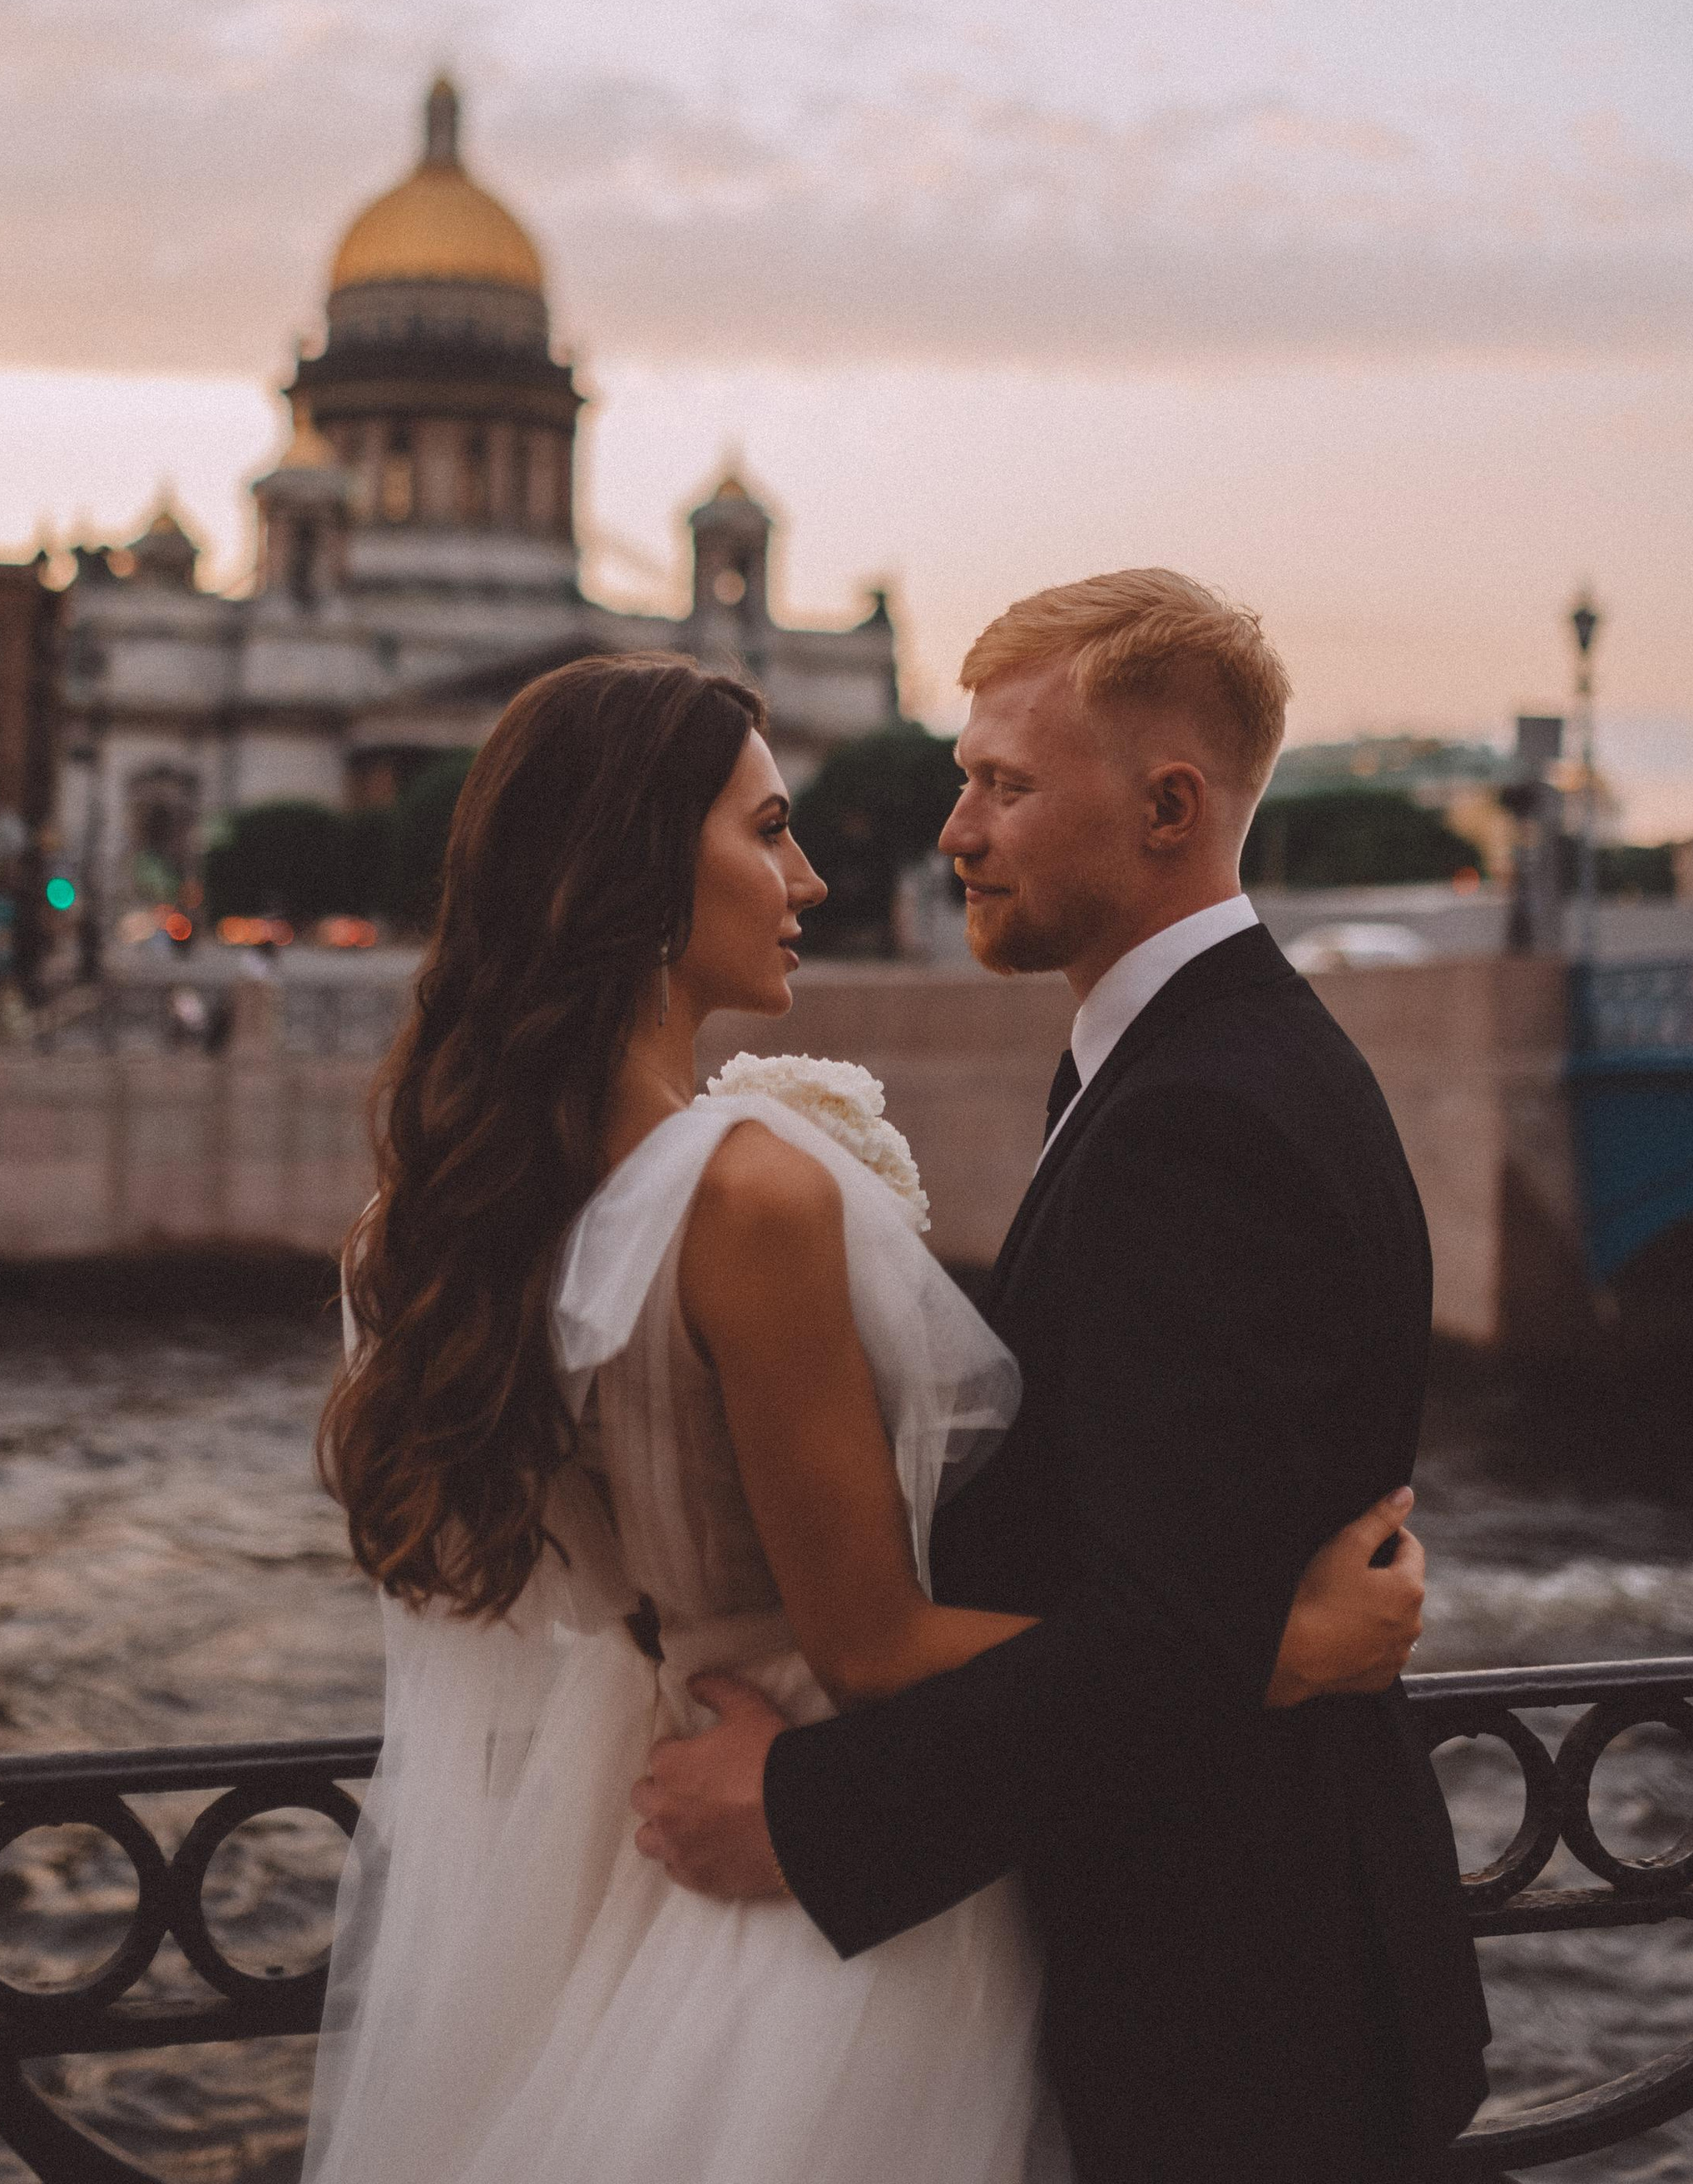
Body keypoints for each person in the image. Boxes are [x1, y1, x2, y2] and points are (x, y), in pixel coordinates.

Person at [308, 647, 1424, 2184]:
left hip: (622, 1827)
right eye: (768, 832)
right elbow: (871, 1641)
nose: (812, 875)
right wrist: (1273, 1650)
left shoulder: (436, 1221)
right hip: (827, 1859)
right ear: (642, 867)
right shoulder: (746, 1189)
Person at [630, 574, 1491, 2184]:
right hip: (1260, 1965)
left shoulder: (1198, 1119)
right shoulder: (1207, 1063)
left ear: (1170, 807)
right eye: (963, 778)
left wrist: (809, 1811)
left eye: (1005, 785)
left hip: (1229, 2018)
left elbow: (1164, 1643)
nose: (954, 827)